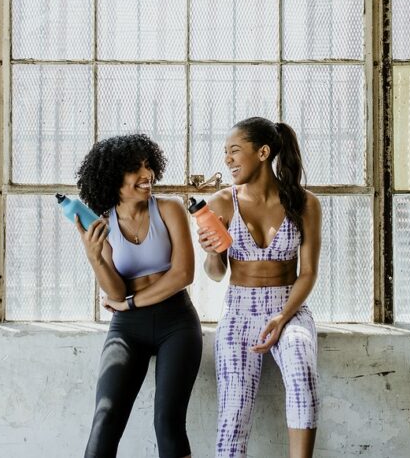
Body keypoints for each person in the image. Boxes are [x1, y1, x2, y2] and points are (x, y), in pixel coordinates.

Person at [198, 117, 322, 458]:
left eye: (235, 151)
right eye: (226, 152)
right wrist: (211, 252)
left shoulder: (305, 203)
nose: (228, 160)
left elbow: (308, 272)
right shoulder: (221, 203)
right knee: (233, 410)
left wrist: (282, 317)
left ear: (263, 152)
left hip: (290, 308)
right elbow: (216, 274)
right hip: (239, 311)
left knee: (302, 373)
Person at [76, 134, 202, 458]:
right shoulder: (104, 224)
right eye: (135, 169)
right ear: (112, 178)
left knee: (168, 423)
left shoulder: (170, 209)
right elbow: (115, 291)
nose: (147, 175)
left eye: (148, 165)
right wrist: (95, 258)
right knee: (105, 420)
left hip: (177, 322)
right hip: (128, 329)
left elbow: (183, 274)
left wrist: (131, 303)